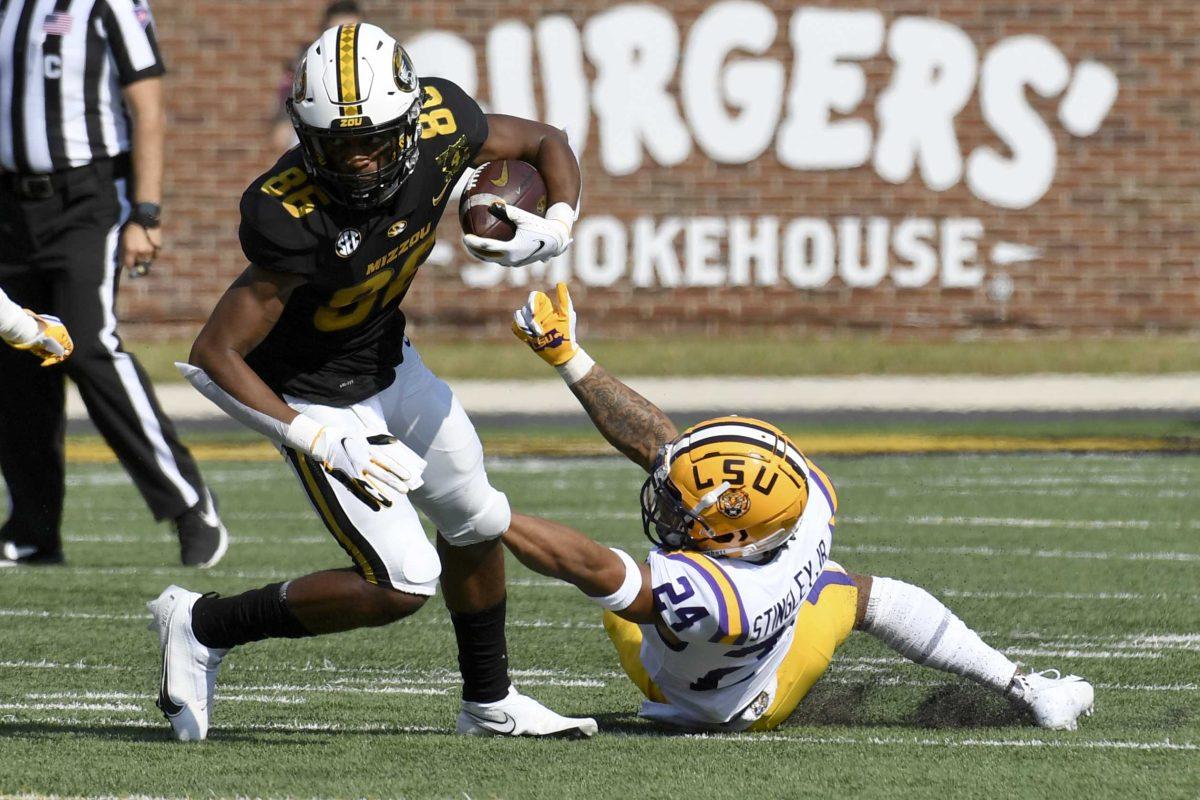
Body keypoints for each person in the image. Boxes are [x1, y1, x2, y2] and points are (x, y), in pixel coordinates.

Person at [149, 22, 587, 742]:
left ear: (413, 120)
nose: (357, 161)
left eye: (375, 140)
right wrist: (324, 442)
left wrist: (559, 225)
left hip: (388, 359)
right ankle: (201, 623)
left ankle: (489, 702)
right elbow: (215, 357)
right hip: (307, 393)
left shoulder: (446, 124)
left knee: (476, 518)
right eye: (336, 144)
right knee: (402, 580)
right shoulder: (285, 212)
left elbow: (547, 141)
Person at [501, 283, 1096, 732]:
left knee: (621, 602)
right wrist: (569, 358)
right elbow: (664, 450)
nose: (674, 509)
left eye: (692, 511)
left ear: (735, 537)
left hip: (728, 701)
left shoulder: (717, 591)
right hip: (761, 633)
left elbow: (590, 567)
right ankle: (1024, 688)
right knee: (857, 592)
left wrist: (489, 512)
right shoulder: (806, 505)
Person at [0, 0, 228, 569]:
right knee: (16, 355)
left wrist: (146, 214)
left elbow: (147, 107)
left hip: (84, 200)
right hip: (10, 209)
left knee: (90, 344)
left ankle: (189, 502)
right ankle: (32, 529)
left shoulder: (107, 4)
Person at [270, 1, 364, 153]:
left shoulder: (379, 63)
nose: (345, 44)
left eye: (352, 34)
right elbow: (280, 136)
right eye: (336, 34)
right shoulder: (304, 67)